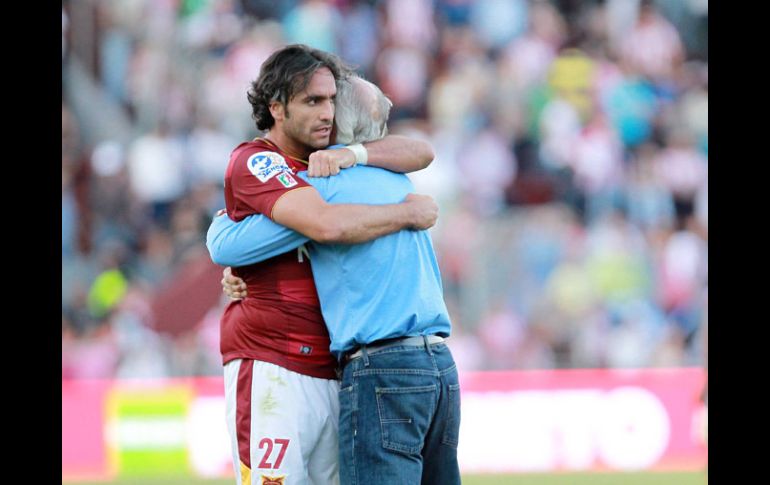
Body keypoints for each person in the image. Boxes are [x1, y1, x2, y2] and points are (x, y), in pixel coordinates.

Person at [209, 71, 461, 485]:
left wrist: (221, 228)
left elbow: (229, 244)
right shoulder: (399, 180)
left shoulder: (323, 187)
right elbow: (421, 151)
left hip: (381, 368)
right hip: (438, 367)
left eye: (327, 105)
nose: (321, 114)